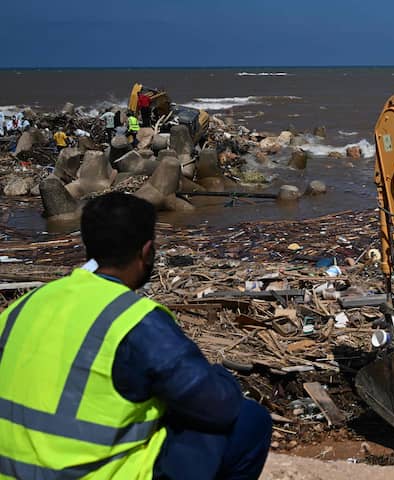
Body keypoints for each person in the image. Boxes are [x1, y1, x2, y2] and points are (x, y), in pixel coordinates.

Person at [0, 192, 272, 479]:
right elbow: (218, 404)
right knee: (248, 420)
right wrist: (222, 376)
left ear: (87, 246)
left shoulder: (23, 306)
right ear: (147, 252)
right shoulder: (134, 321)